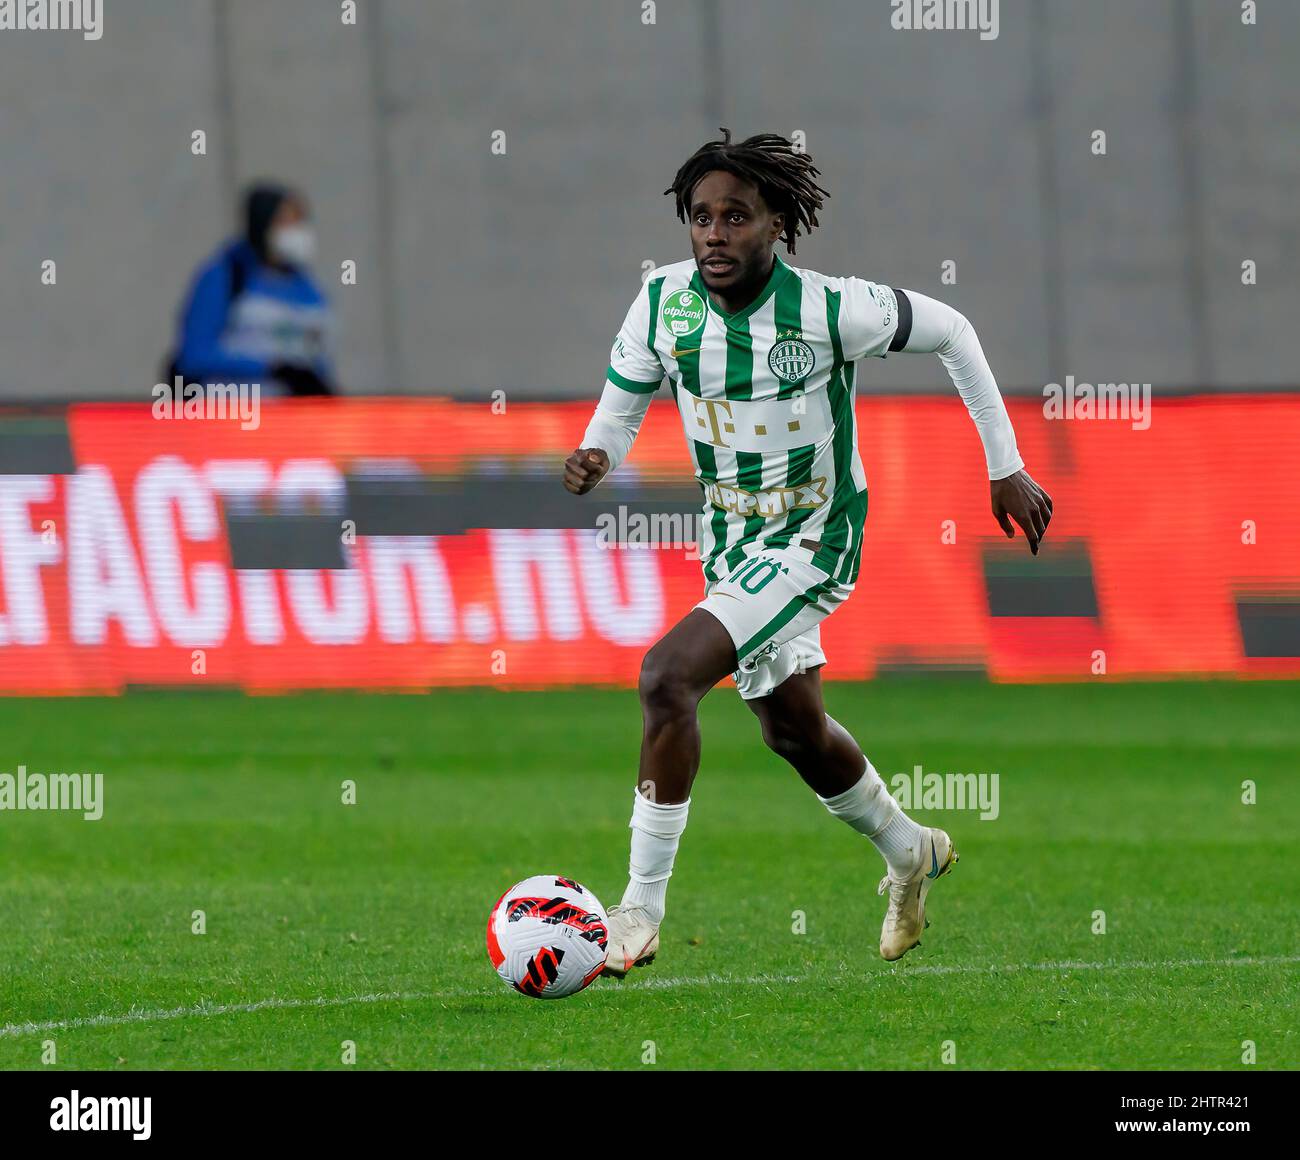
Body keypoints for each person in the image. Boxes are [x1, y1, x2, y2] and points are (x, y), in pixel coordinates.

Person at [563, 129, 1053, 974]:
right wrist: (598, 453)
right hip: (730, 540)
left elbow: (955, 332)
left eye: (737, 217)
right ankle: (909, 850)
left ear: (778, 224)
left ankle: (638, 909)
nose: (716, 234)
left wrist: (1004, 467)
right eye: (701, 217)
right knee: (795, 731)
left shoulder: (833, 310)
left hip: (814, 539)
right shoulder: (662, 304)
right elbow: (623, 400)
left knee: (666, 676)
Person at [165, 182, 335, 396]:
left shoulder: (310, 289)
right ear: (262, 223)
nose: (295, 231)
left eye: (299, 221)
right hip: (232, 415)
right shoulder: (226, 277)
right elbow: (194, 357)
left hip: (291, 422)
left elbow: (317, 357)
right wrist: (270, 369)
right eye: (285, 221)